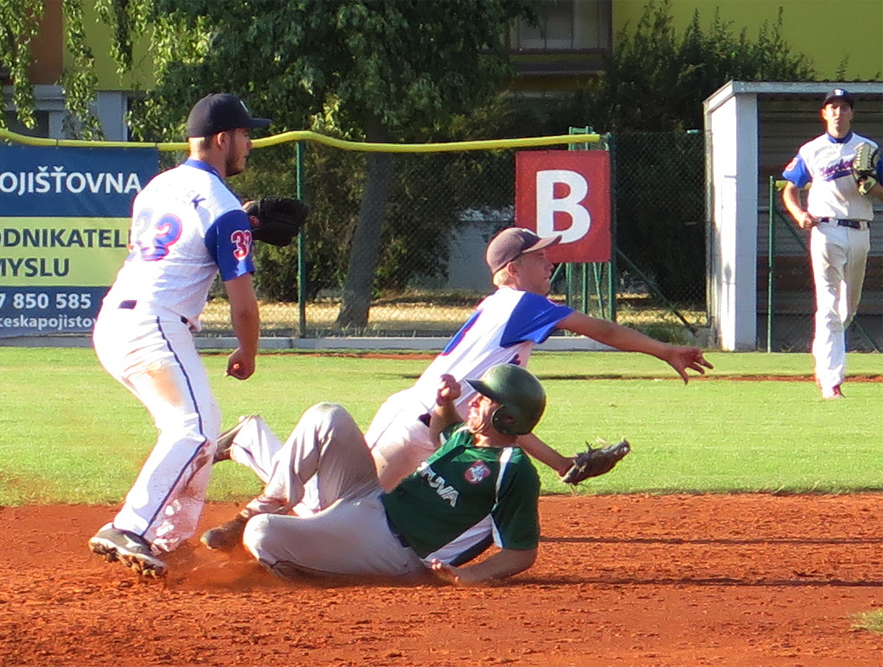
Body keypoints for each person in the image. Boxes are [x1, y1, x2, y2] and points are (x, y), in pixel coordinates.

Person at [362, 226, 713, 490]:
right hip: (412, 425)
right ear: (513, 270)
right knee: (343, 504)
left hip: (442, 434)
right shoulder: (522, 305)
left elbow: (504, 421)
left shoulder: (506, 307)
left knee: (401, 519)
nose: (549, 264)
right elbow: (602, 331)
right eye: (539, 257)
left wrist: (561, 464)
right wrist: (666, 351)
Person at [87, 93, 271, 577]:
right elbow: (244, 306)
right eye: (246, 135)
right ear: (222, 139)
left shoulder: (156, 187)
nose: (250, 144)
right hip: (154, 324)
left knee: (203, 427)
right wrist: (248, 353)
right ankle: (130, 527)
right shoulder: (222, 205)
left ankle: (168, 541)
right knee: (190, 428)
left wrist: (245, 222)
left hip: (116, 321)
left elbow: (180, 243)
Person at [204, 364, 547, 585]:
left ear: (508, 418)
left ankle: (289, 565)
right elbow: (441, 429)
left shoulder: (513, 469)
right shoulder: (465, 437)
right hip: (370, 501)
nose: (474, 400)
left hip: (393, 549)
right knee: (328, 416)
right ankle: (261, 506)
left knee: (262, 534)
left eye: (486, 399)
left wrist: (469, 575)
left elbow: (521, 552)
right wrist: (444, 402)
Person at [781, 88, 883, 400]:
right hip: (826, 229)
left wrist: (871, 185)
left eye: (843, 107)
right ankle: (830, 380)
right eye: (832, 107)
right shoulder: (812, 150)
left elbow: (881, 192)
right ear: (824, 114)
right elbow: (789, 189)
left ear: (852, 113)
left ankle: (825, 362)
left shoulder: (869, 148)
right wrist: (799, 214)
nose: (838, 112)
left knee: (846, 308)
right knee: (827, 305)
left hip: (860, 230)